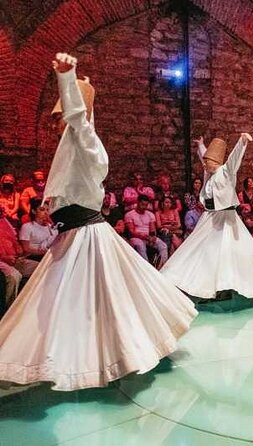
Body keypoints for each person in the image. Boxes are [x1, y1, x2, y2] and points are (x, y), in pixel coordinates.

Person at [0, 52, 196, 390]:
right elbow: (81, 125)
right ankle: (77, 358)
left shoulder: (85, 139)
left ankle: (103, 360)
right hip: (71, 236)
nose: (54, 124)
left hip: (85, 236)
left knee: (97, 302)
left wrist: (68, 78)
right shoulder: (74, 147)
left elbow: (81, 121)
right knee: (71, 303)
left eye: (58, 116)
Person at [161, 135, 253, 299]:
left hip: (225, 219)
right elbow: (205, 158)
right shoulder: (208, 175)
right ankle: (202, 286)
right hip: (210, 217)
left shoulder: (226, 171)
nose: (204, 165)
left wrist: (242, 141)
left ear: (214, 162)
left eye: (207, 162)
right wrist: (202, 146)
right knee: (202, 251)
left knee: (226, 253)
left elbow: (234, 159)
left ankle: (225, 287)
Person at [125, 194, 169, 267]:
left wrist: (152, 237)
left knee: (163, 245)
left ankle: (162, 267)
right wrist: (143, 236)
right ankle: (147, 267)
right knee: (140, 245)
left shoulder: (150, 214)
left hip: (147, 237)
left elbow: (152, 229)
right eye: (142, 204)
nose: (144, 207)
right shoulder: (129, 214)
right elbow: (131, 231)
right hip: (136, 237)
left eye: (146, 205)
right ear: (138, 202)